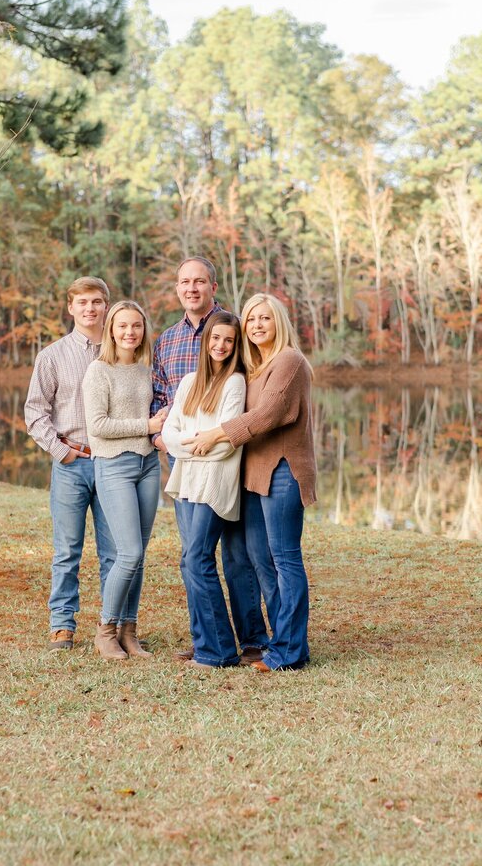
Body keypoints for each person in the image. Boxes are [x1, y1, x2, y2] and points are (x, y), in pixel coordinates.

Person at [186, 293, 316, 672]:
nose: (258, 325)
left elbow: (269, 414)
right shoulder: (256, 367)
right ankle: (283, 642)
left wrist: (217, 434)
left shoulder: (289, 362)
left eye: (266, 318)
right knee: (262, 561)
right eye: (252, 319)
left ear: (279, 323)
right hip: (256, 474)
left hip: (283, 472)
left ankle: (291, 652)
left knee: (284, 560)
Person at [152, 257, 268, 663]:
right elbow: (165, 411)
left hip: (227, 473)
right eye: (185, 281)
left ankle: (248, 641)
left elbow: (228, 433)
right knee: (193, 559)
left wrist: (200, 441)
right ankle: (208, 641)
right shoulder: (166, 341)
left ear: (212, 285)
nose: (192, 288)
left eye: (199, 281)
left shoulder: (236, 327)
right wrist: (183, 443)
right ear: (178, 287)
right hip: (185, 473)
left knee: (236, 559)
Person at [23, 276, 113, 651]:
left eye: (96, 302)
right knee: (67, 550)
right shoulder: (53, 355)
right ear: (70, 307)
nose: (90, 309)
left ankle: (113, 624)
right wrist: (62, 452)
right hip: (72, 462)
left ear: (106, 305)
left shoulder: (121, 349)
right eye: (83, 302)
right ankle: (62, 624)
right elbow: (34, 412)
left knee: (115, 551)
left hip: (113, 463)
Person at [82, 300, 168, 660]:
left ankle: (129, 632)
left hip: (148, 466)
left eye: (136, 326)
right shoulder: (98, 372)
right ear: (111, 330)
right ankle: (105, 631)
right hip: (114, 466)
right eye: (122, 326)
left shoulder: (147, 369)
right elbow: (97, 427)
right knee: (128, 552)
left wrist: (162, 425)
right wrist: (145, 427)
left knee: (140, 554)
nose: (130, 332)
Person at [161, 312, 248, 668]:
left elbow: (227, 443)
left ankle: (219, 651)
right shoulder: (189, 382)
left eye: (228, 340)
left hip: (216, 482)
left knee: (197, 558)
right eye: (215, 339)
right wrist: (193, 446)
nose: (221, 346)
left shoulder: (235, 384)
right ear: (205, 341)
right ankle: (206, 643)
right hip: (188, 481)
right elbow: (169, 432)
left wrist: (194, 445)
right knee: (189, 560)